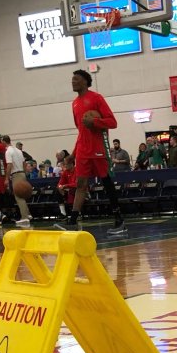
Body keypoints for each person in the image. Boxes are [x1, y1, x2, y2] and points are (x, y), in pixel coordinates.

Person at [58, 68, 124, 233]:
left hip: (98, 149)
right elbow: (81, 132)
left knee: (106, 182)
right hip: (82, 150)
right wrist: (73, 154)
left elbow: (112, 122)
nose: (73, 82)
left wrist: (95, 122)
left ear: (85, 81)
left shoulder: (96, 98)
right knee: (80, 184)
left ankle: (119, 219)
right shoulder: (74, 103)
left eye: (76, 79)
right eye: (72, 80)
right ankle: (72, 221)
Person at [3, 135, 32, 226]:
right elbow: (24, 163)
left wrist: (7, 178)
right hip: (22, 173)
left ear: (3, 142)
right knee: (22, 195)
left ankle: (24, 218)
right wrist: (24, 172)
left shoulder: (8, 151)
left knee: (19, 196)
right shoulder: (19, 151)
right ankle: (28, 214)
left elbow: (9, 165)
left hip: (16, 174)